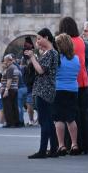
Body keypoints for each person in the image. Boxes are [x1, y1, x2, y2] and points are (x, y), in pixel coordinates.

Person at [58, 17, 88, 153]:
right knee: (84, 113)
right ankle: (87, 144)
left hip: (66, 83)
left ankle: (69, 143)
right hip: (83, 81)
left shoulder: (61, 42)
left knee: (68, 115)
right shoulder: (84, 43)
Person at [26, 28, 59, 158]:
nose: (38, 41)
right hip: (46, 89)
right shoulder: (50, 53)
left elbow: (40, 70)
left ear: (46, 38)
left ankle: (42, 150)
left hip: (44, 90)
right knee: (48, 121)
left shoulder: (50, 53)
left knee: (44, 120)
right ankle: (53, 149)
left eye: (39, 38)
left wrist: (32, 58)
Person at [53, 33, 81, 155]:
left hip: (58, 89)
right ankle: (74, 144)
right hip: (73, 90)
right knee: (71, 118)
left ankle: (61, 145)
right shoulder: (76, 59)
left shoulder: (57, 59)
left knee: (59, 119)